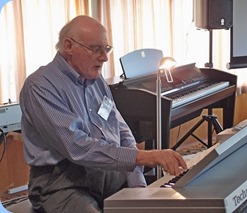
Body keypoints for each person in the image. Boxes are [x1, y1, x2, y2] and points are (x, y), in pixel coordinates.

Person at [20, 15, 187, 213]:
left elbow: (121, 131)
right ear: (68, 46)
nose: (104, 57)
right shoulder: (41, 86)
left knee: (163, 206)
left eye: (106, 49)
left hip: (108, 175)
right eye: (96, 49)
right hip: (62, 183)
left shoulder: (96, 81)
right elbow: (78, 147)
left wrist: (137, 185)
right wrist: (144, 157)